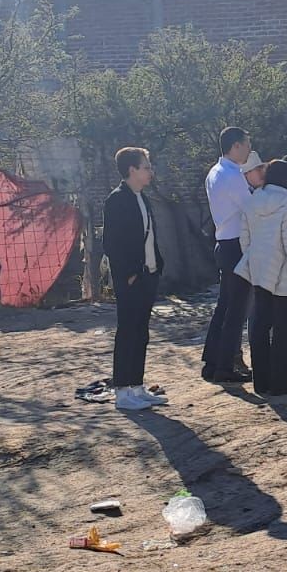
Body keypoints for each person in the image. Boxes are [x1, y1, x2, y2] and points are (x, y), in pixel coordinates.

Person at [101, 146, 169, 411]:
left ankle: (137, 386)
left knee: (141, 332)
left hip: (149, 274)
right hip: (131, 277)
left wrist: (156, 265)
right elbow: (112, 243)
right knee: (127, 331)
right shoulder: (117, 199)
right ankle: (122, 391)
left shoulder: (142, 197)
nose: (150, 171)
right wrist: (128, 273)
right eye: (146, 167)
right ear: (132, 170)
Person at [235, 158, 287, 398]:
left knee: (260, 325)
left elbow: (244, 239)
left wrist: (255, 261)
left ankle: (261, 381)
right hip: (283, 272)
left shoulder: (252, 200)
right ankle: (280, 383)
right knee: (282, 329)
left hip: (258, 270)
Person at [202, 127, 255, 384]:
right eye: (246, 144)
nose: (248, 149)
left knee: (225, 306)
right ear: (235, 146)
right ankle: (224, 366)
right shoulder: (233, 175)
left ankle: (212, 362)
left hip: (224, 242)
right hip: (236, 245)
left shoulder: (216, 171)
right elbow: (251, 208)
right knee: (236, 309)